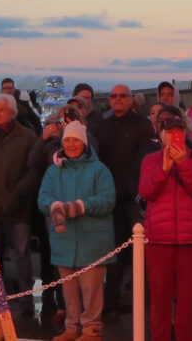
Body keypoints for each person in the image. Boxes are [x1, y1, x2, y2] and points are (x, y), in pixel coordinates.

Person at [37, 121, 115, 341]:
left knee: (91, 290)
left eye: (76, 140)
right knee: (69, 291)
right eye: (67, 140)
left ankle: (91, 329)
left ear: (84, 142)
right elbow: (43, 198)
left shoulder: (99, 170)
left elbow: (107, 200)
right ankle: (71, 327)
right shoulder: (54, 171)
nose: (71, 144)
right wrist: (53, 206)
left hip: (93, 240)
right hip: (65, 238)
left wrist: (80, 206)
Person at [142, 111, 192, 341]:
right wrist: (164, 168)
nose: (174, 136)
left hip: (189, 240)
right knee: (159, 298)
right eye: (169, 132)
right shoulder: (151, 160)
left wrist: (182, 164)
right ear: (161, 135)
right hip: (159, 240)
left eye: (178, 132)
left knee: (187, 300)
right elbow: (147, 192)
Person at [91, 83, 154, 318]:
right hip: (110, 200)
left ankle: (147, 302)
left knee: (143, 253)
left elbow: (146, 160)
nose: (117, 99)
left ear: (131, 100)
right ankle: (112, 302)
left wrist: (135, 189)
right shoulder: (102, 127)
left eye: (122, 96)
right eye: (114, 96)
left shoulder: (142, 126)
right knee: (114, 253)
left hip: (135, 200)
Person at [0, 94, 42, 310]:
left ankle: (25, 298)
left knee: (22, 254)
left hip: (18, 207)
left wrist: (20, 191)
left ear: (12, 112)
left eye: (1, 110)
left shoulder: (27, 138)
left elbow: (34, 170)